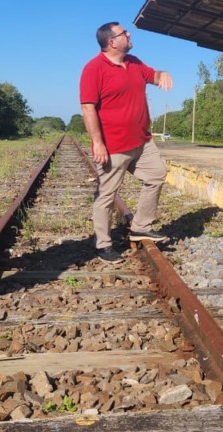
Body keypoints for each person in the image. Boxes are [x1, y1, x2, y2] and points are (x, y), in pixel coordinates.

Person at [80, 23, 173, 264]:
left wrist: (162, 74)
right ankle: (103, 245)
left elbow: (154, 75)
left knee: (157, 174)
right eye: (124, 33)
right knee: (107, 196)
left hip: (142, 142)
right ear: (112, 42)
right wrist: (97, 143)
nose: (129, 34)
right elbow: (88, 107)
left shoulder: (134, 62)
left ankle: (141, 226)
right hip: (113, 145)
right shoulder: (94, 69)